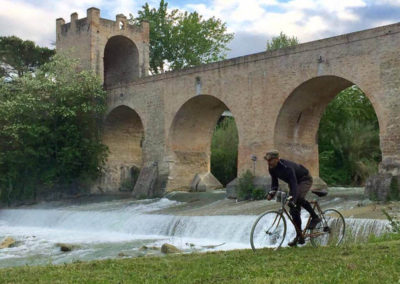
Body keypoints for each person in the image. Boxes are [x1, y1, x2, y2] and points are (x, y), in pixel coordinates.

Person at [264, 149, 321, 247]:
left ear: (277, 159)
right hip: (293, 183)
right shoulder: (271, 168)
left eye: (270, 160)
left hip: (304, 179)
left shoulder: (287, 168)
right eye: (267, 160)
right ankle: (299, 236)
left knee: (297, 198)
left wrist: (293, 199)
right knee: (294, 211)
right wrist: (271, 193)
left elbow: (294, 185)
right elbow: (274, 183)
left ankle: (315, 217)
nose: (268, 162)